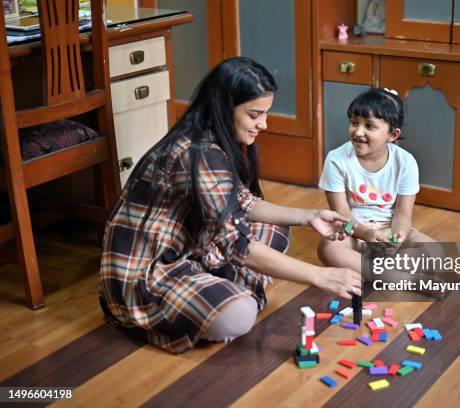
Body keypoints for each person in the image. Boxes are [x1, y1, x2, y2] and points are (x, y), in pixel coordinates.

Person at [99, 57, 361, 354]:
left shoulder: (215, 140)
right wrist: (321, 276)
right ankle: (228, 291)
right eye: (254, 115)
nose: (264, 124)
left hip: (190, 250)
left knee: (277, 230)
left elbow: (242, 202)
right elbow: (238, 246)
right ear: (225, 108)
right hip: (146, 274)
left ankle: (223, 285)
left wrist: (309, 215)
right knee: (240, 314)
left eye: (266, 113)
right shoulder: (199, 153)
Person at [317, 87, 443, 292]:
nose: (358, 132)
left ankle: (375, 272)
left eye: (369, 126)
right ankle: (402, 279)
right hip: (355, 233)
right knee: (328, 249)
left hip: (389, 231)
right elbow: (342, 214)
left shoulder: (406, 162)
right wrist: (366, 234)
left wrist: (396, 238)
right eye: (354, 123)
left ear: (392, 135)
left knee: (436, 252)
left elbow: (403, 214)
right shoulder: (336, 159)